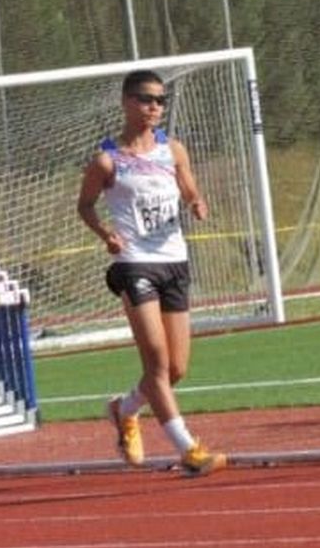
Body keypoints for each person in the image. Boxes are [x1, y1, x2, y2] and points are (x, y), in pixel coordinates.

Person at [77, 69, 227, 477]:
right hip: (134, 264)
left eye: (160, 100)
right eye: (146, 99)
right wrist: (105, 232)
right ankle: (189, 449)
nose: (155, 107)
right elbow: (86, 205)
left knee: (176, 368)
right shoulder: (108, 160)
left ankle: (124, 410)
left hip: (174, 261)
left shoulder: (173, 150)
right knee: (157, 363)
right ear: (126, 102)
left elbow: (189, 187)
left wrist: (197, 203)